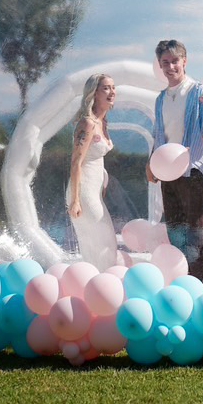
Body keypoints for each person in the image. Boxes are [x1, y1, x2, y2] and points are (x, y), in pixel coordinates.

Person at [146, 40, 203, 282]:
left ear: (184, 61)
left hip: (193, 171)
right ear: (160, 65)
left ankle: (202, 286)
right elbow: (159, 135)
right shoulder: (161, 98)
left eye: (175, 61)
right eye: (165, 62)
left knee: (198, 234)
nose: (171, 66)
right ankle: (180, 282)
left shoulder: (199, 92)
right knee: (176, 231)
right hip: (168, 173)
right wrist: (151, 163)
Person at [66, 73, 118, 271]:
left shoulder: (103, 122)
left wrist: (103, 181)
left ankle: (100, 282)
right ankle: (100, 282)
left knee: (103, 244)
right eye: (106, 88)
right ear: (94, 93)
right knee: (102, 244)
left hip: (95, 192)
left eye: (113, 87)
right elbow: (76, 162)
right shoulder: (87, 123)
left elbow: (95, 159)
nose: (112, 92)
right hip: (83, 192)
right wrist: (75, 200)